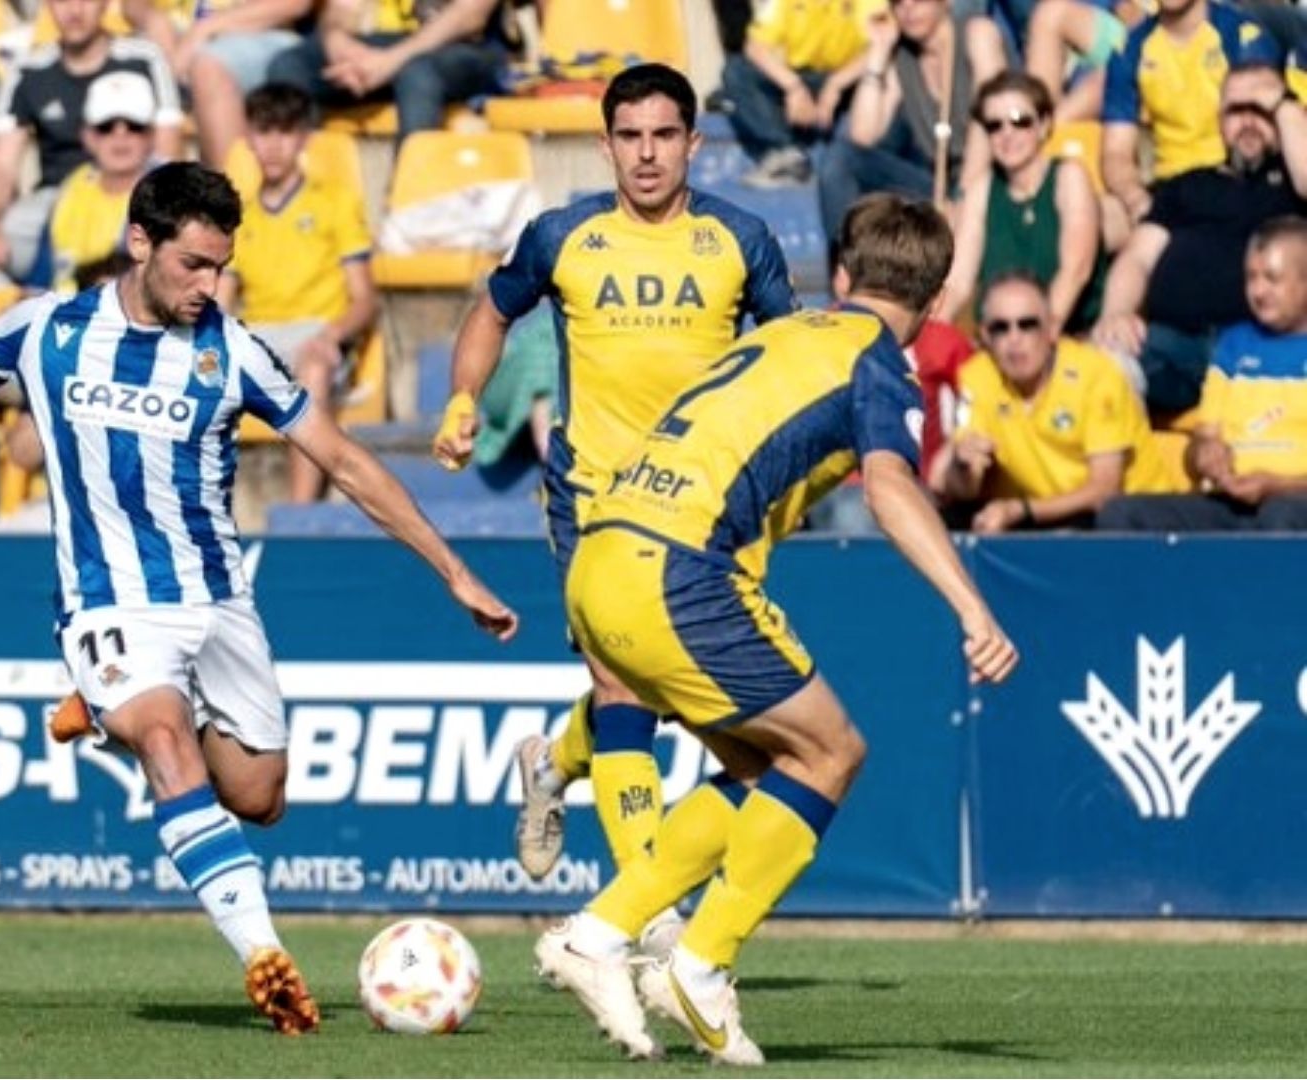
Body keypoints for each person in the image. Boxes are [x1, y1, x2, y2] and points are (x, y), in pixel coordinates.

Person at [0, 161, 520, 1034]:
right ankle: (264, 955)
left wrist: (452, 570)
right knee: (163, 736)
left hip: (217, 601)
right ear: (139, 242)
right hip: (110, 602)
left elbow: (341, 460)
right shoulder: (49, 329)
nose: (208, 286)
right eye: (193, 265)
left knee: (259, 798)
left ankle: (104, 711)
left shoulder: (233, 352)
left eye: (220, 268)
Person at [535, 194, 1018, 1064]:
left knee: (769, 772)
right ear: (940, 300)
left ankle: (599, 935)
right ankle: (698, 964)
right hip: (679, 571)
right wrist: (972, 606)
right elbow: (890, 488)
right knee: (832, 754)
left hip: (600, 556)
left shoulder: (781, 333)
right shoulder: (879, 364)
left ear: (842, 275)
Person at [433, 64, 795, 904]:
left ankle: (552, 764)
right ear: (605, 146)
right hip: (593, 494)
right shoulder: (563, 236)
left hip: (706, 506)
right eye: (630, 137)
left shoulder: (741, 239)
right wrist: (463, 396)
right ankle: (645, 909)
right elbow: (492, 311)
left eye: (664, 135)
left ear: (693, 143)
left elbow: (791, 352)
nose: (647, 154)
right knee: (622, 683)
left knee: (679, 697)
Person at [1092, 63, 1307, 415]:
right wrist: (1116, 314)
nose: (1248, 122)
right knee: (1102, 365)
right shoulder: (1187, 187)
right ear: (1220, 121)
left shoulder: (1295, 188)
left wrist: (1283, 103)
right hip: (1178, 346)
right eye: (1236, 111)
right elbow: (1138, 258)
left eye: (1261, 109)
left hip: (1267, 345)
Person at [0, 0, 182, 289]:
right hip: (52, 202)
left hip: (130, 194)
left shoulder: (144, 58)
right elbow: (2, 165)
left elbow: (168, 154)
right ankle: (27, 307)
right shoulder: (28, 69)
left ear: (105, 4)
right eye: (62, 0)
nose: (74, 10)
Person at [218, 82, 376, 503]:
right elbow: (221, 300)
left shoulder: (335, 201)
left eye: (284, 132)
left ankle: (299, 511)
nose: (273, 146)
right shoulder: (238, 217)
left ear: (304, 137)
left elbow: (365, 298)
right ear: (248, 139)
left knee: (313, 367)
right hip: (257, 337)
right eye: (263, 132)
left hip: (316, 331)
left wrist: (331, 335)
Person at [931, 272, 1182, 531]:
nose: (1014, 338)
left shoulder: (1097, 375)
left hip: (1131, 521)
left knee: (1112, 515)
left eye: (1027, 325)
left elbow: (1105, 490)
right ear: (984, 335)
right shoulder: (978, 377)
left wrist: (1021, 511)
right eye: (1000, 328)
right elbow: (963, 487)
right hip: (1039, 515)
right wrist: (962, 467)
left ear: (1052, 328)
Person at [1099, 215, 1307, 529]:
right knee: (1122, 514)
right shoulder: (1233, 345)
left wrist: (1276, 485)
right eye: (1251, 278)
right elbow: (1201, 440)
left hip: (1293, 504)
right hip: (1230, 500)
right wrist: (1203, 455)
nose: (1258, 291)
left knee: (1281, 516)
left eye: (1272, 278)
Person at [818, 0, 1006, 237]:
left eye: (919, 0)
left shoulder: (977, 33)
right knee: (841, 159)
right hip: (939, 187)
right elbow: (862, 135)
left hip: (992, 184)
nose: (908, 8)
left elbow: (990, 123)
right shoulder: (902, 55)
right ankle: (845, 256)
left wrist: (964, 199)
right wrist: (878, 53)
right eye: (898, 3)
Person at [942, 71, 1107, 333]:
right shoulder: (981, 190)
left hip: (1070, 334)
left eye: (1020, 121)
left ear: (1044, 125)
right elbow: (958, 283)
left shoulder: (1068, 176)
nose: (1007, 133)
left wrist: (1037, 338)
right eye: (994, 125)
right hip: (999, 340)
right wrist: (931, 334)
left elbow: (1076, 270)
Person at [1100, 0, 1277, 223]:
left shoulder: (1242, 36)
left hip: (1230, 181)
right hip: (1166, 189)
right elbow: (1116, 152)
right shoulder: (1130, 48)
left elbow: (1261, 139)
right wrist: (1136, 199)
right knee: (1098, 213)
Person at [264, 0, 507, 148]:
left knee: (417, 73)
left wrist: (391, 61)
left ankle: (408, 197)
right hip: (378, 48)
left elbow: (470, 16)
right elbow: (340, 9)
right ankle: (308, 192)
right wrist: (337, 41)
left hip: (461, 49)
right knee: (289, 65)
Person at [127, 0, 316, 169]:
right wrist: (153, 19)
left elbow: (295, 4)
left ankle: (232, 190)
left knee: (207, 65)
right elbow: (132, 6)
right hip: (176, 44)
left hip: (260, 34)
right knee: (132, 73)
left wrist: (205, 29)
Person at [721, 0, 881, 187]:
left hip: (852, 78)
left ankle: (876, 157)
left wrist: (836, 85)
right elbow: (754, 46)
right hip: (804, 77)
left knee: (887, 71)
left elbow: (882, 45)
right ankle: (786, 155)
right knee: (737, 70)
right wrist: (793, 87)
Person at [28, 71, 159, 294]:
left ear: (151, 135)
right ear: (88, 136)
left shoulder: (169, 194)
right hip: (64, 308)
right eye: (105, 127)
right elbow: (40, 276)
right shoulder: (72, 187)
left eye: (134, 126)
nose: (120, 135)